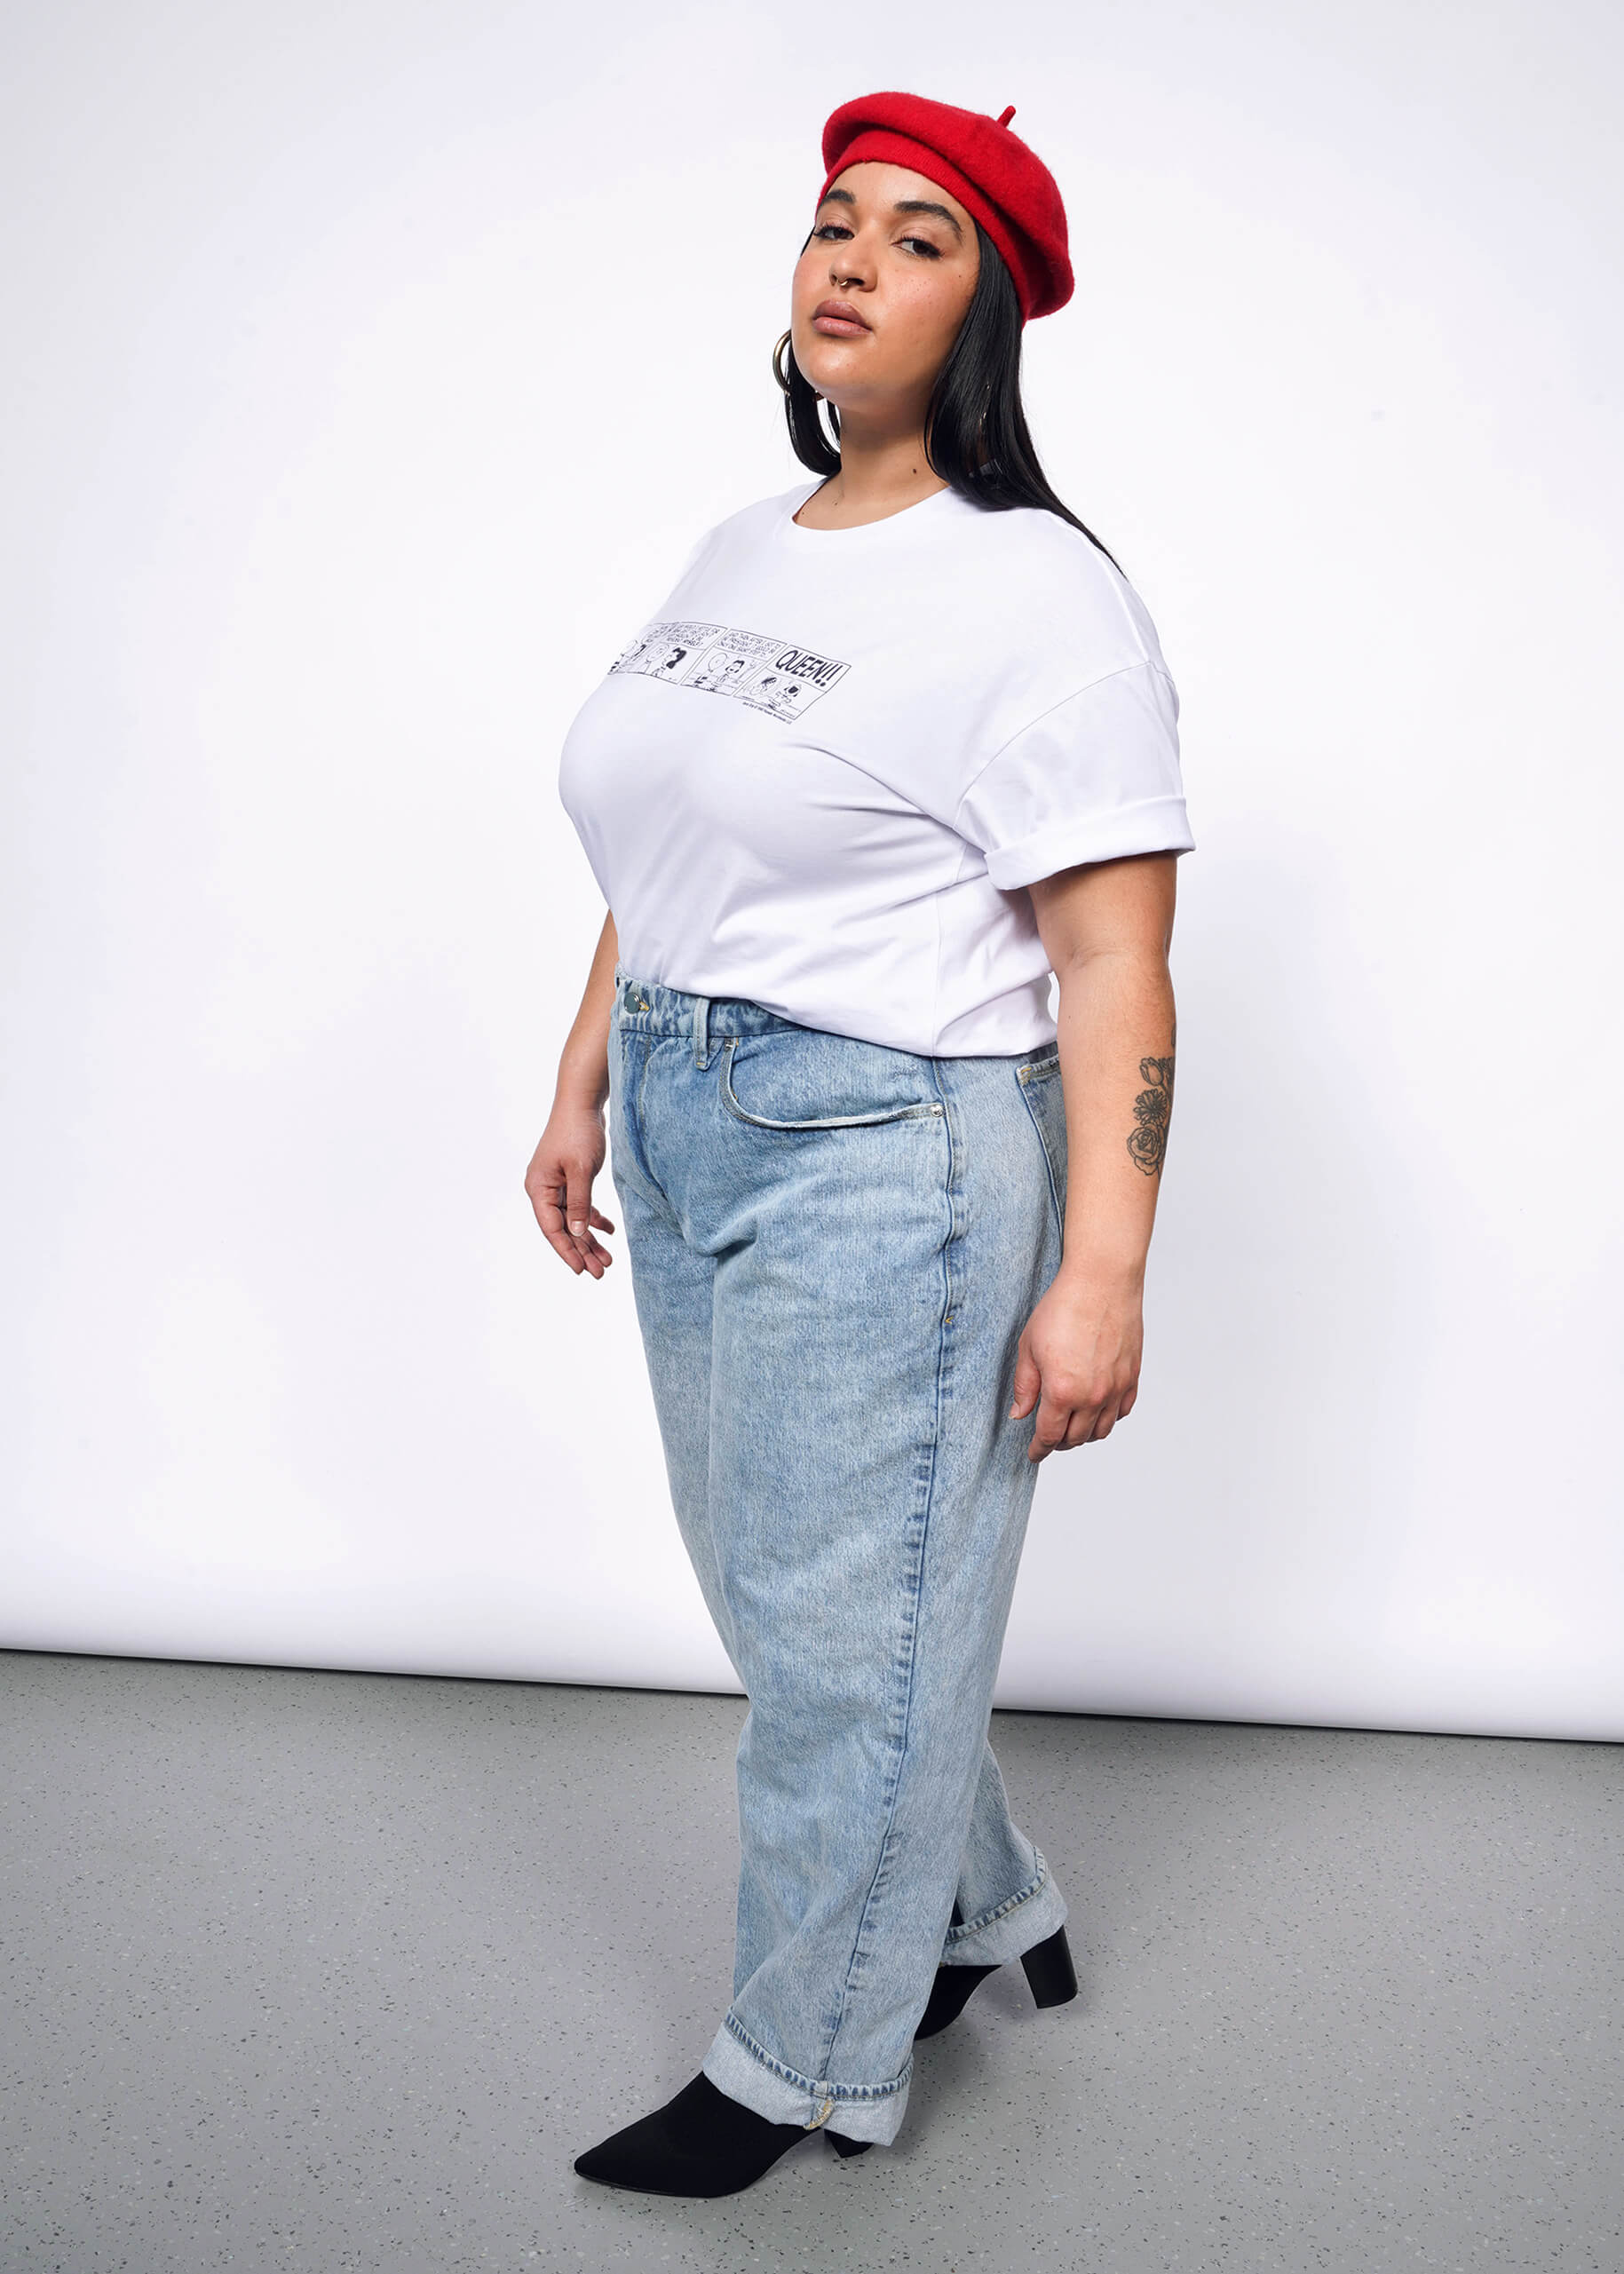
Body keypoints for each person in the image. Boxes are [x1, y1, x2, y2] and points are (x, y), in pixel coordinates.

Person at [528, 88, 1195, 2199]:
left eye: (917, 238)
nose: (853, 261)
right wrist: (582, 1069)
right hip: (690, 1099)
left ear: (987, 308)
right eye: (835, 222)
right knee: (809, 1605)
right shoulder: (742, 548)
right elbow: (676, 836)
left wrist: (1105, 1271)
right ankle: (990, 1903)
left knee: (838, 1629)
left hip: (884, 1150)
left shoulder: (1042, 598)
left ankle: (803, 2064)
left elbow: (1114, 970)